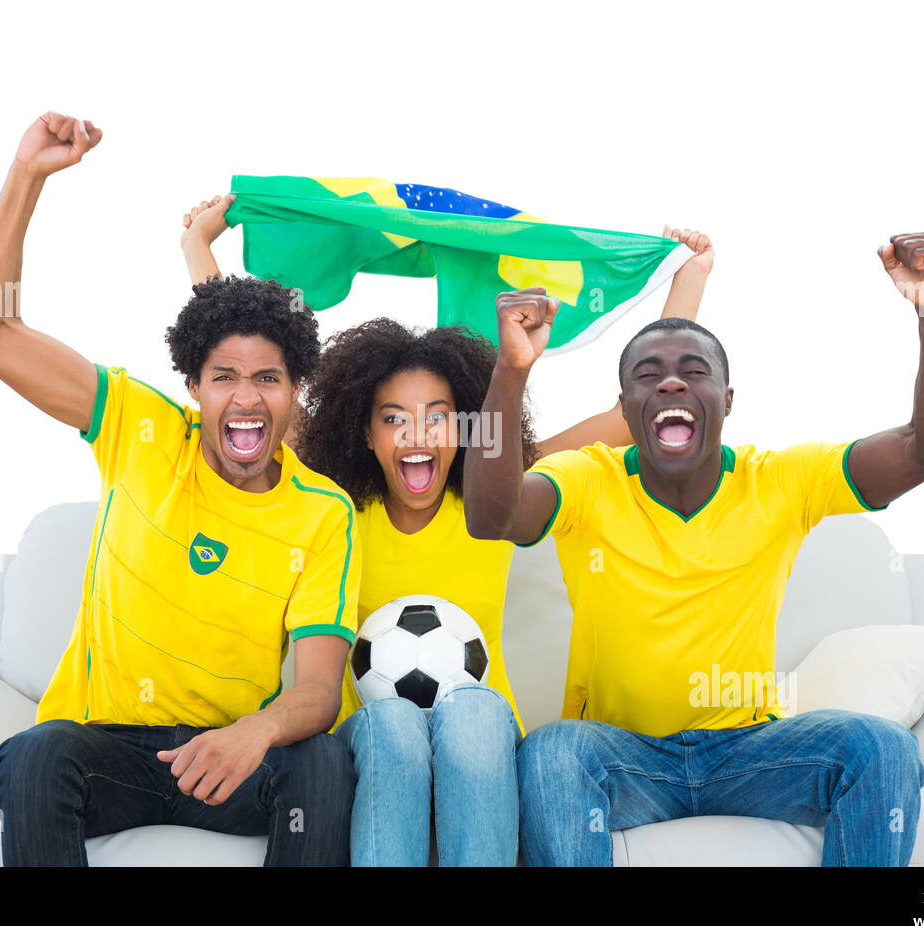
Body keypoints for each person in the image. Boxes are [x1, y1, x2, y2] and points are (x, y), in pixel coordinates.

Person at [180, 194, 715, 865]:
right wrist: (199, 247)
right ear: (365, 433)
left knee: (470, 710)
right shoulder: (333, 506)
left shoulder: (494, 499)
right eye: (394, 418)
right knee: (397, 722)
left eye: (439, 415)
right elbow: (250, 386)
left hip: (484, 744)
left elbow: (626, 417)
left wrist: (687, 278)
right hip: (371, 747)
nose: (417, 435)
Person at [463, 233, 924, 866]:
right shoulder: (589, 479)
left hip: (751, 754)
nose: (671, 384)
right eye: (649, 377)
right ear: (626, 410)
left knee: (882, 747)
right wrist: (511, 371)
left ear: (726, 402)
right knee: (553, 751)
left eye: (693, 373)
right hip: (624, 757)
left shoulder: (782, 481)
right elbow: (491, 516)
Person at [0, 111, 359, 866]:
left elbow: (317, 692)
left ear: (295, 390)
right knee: (37, 753)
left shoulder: (322, 513)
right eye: (225, 379)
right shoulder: (141, 427)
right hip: (105, 752)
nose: (246, 399)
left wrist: (258, 732)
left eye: (268, 379)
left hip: (233, 760)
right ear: (194, 388)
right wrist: (26, 178)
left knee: (325, 759)